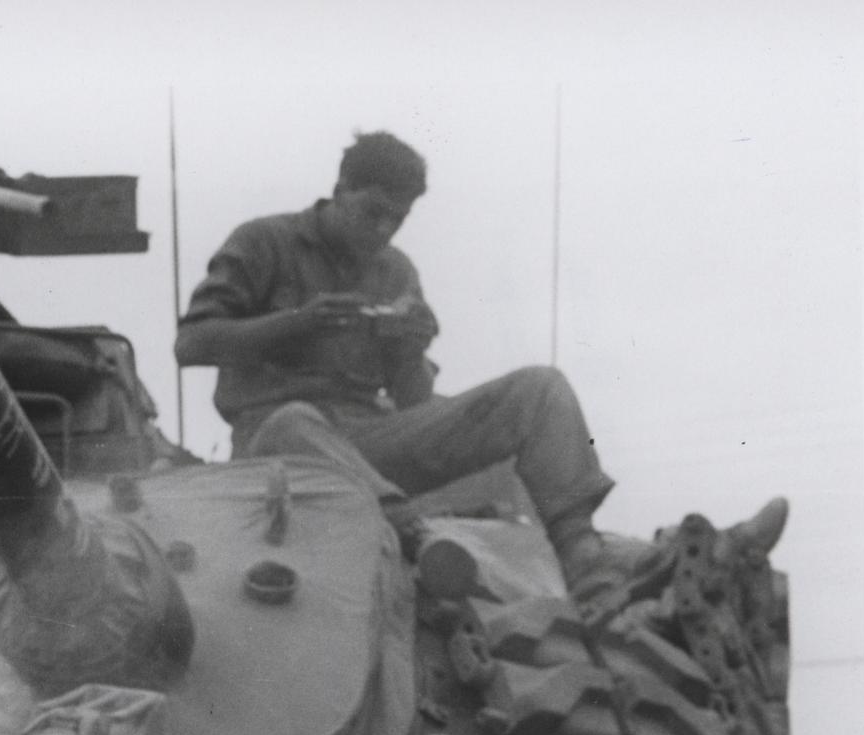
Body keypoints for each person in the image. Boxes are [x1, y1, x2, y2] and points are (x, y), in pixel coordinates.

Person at [175, 130, 782, 600]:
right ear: (340, 190)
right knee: (292, 420)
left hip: (374, 438)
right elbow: (192, 344)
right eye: (373, 212)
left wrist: (408, 348)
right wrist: (299, 323)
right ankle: (410, 532)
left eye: (398, 218)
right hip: (283, 448)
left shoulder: (395, 270)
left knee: (539, 389)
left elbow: (413, 403)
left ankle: (584, 561)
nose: (383, 230)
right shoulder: (263, 242)